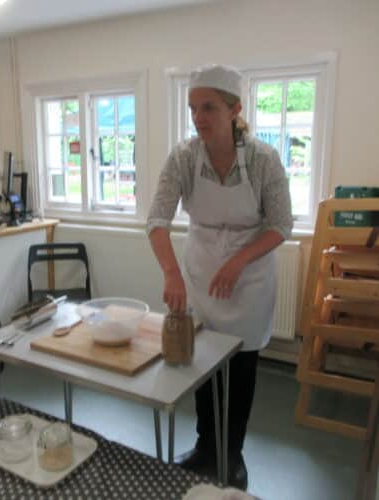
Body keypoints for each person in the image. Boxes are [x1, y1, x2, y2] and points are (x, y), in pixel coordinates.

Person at [147, 64, 292, 489]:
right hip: (201, 269)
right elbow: (156, 219)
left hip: (250, 277)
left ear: (235, 109)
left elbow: (281, 225)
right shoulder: (183, 158)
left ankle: (233, 453)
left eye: (208, 107)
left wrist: (238, 261)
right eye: (193, 108)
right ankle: (205, 447)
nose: (198, 117)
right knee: (201, 364)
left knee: (241, 369)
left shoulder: (265, 159)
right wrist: (171, 272)